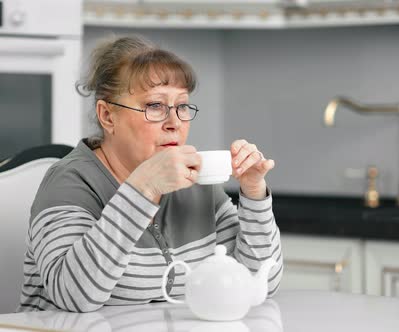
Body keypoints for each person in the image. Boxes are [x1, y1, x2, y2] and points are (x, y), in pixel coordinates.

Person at [17, 36, 283, 312]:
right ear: (108, 116)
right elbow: (74, 297)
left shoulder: (195, 180)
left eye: (181, 106)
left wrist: (253, 193)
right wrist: (144, 188)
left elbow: (259, 283)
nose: (174, 123)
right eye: (155, 106)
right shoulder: (70, 182)